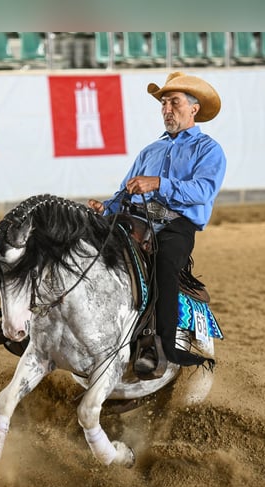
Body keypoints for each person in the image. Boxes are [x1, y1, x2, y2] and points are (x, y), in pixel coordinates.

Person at [88, 71, 227, 369]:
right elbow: (122, 192)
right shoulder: (150, 151)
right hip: (132, 220)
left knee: (164, 262)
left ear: (194, 108)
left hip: (176, 226)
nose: (166, 109)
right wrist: (106, 209)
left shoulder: (208, 150)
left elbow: (203, 191)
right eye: (163, 104)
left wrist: (159, 184)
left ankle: (162, 347)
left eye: (173, 102)